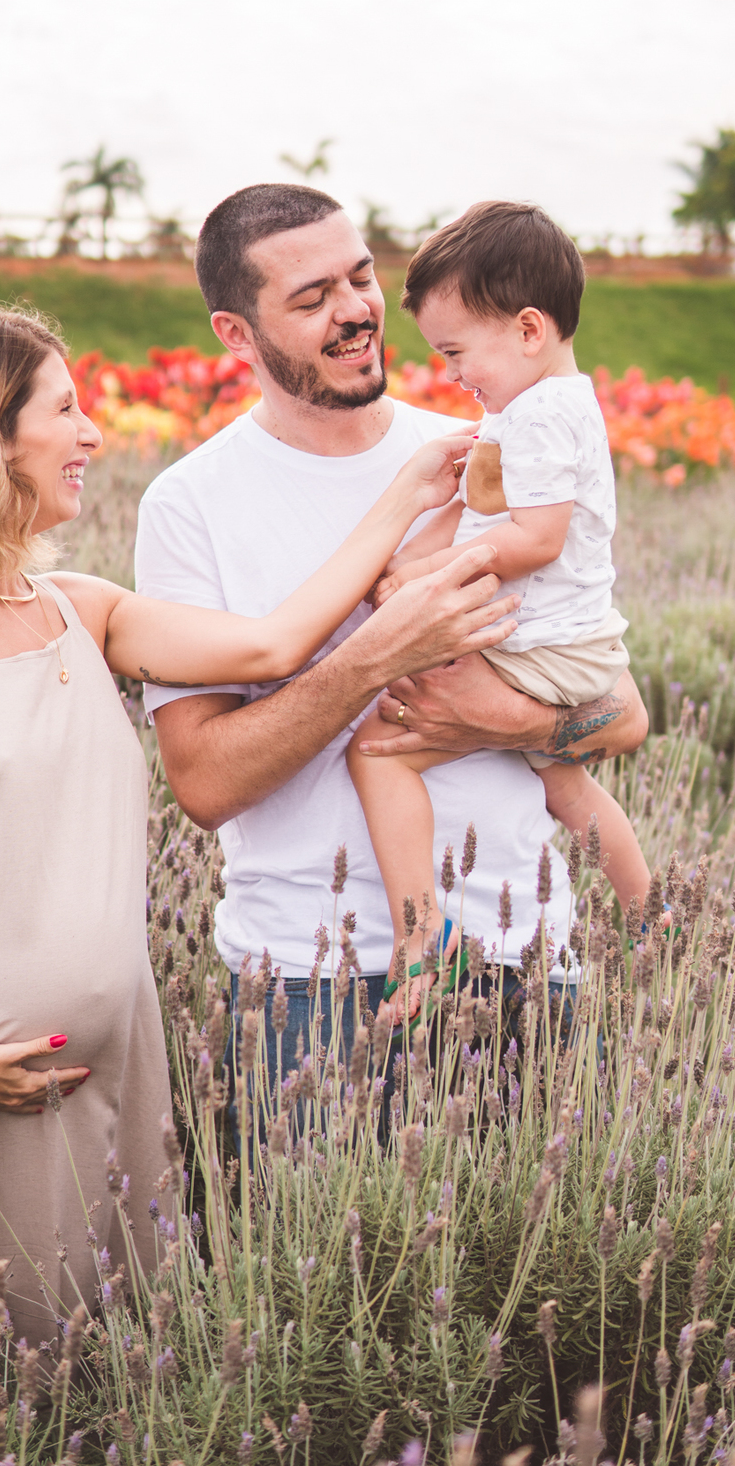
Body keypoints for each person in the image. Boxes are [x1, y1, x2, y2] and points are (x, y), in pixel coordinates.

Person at [0, 305, 506, 1348]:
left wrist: (407, 491)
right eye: (65, 411)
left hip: (99, 1100)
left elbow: (275, 644)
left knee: (92, 1414)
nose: (91, 436)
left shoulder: (87, 610)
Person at [134, 184, 650, 1071]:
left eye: (360, 277)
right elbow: (205, 785)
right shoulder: (191, 506)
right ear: (236, 333)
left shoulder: (479, 444)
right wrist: (378, 659)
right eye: (311, 298)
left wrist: (490, 721)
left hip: (529, 959)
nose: (356, 312)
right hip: (315, 988)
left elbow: (623, 713)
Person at [346, 201, 650, 1021]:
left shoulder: (543, 415)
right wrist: (419, 555)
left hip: (545, 646)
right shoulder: (526, 409)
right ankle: (650, 919)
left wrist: (427, 577)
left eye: (455, 350)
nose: (449, 373)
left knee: (378, 752)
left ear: (526, 330)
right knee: (566, 786)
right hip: (570, 641)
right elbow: (482, 511)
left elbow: (538, 538)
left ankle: (420, 940)